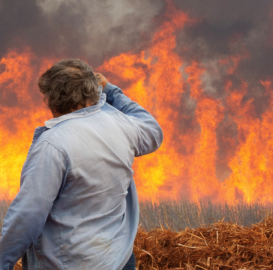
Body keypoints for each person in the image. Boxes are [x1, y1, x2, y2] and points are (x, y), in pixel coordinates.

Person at [0, 59, 163, 269]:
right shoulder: (121, 125)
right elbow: (152, 129)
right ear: (91, 93)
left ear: (52, 98)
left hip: (70, 262)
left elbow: (27, 216)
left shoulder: (53, 145)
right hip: (119, 260)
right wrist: (111, 91)